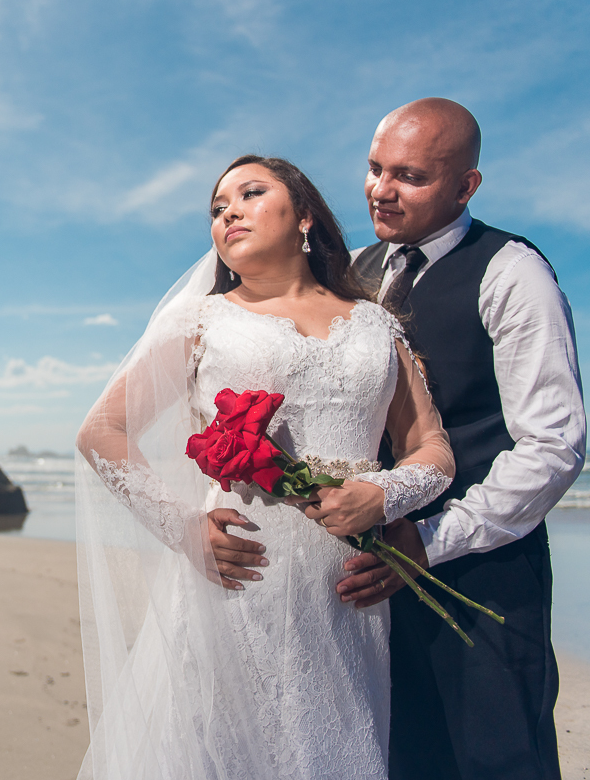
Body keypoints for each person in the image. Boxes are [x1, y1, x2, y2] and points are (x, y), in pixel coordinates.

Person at [75, 154, 455, 779]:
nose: (229, 213)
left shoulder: (376, 324)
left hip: (346, 593)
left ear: (305, 216)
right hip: (240, 579)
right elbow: (101, 431)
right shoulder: (200, 321)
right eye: (218, 209)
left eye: (251, 194)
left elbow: (432, 448)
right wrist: (183, 531)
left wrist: (383, 494)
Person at [334, 98, 584, 780]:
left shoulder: (513, 272)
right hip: (368, 584)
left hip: (484, 580)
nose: (381, 190)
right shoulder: (353, 271)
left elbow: (554, 445)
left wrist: (429, 539)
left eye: (409, 176)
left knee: (492, 764)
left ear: (465, 185)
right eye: (374, 168)